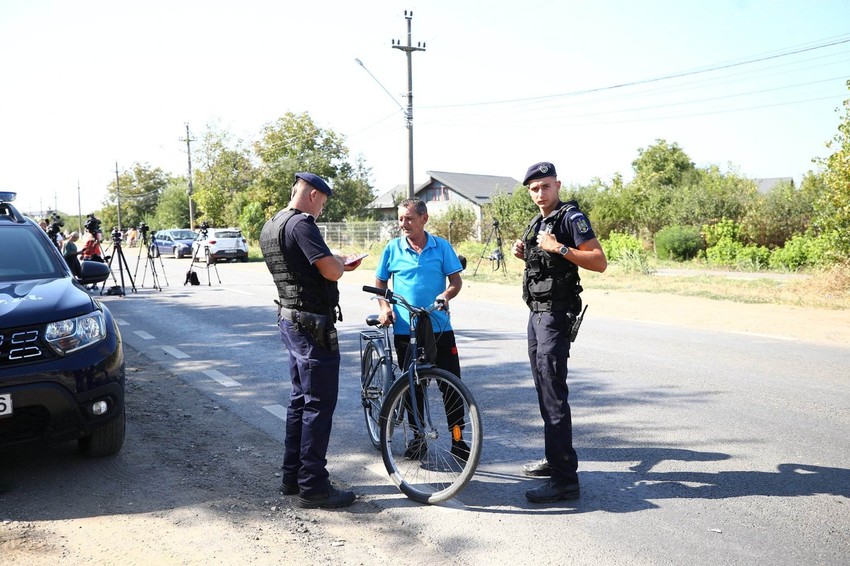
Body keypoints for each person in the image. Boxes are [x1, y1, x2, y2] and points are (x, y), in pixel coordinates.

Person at [259, 172, 364, 510]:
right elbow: (329, 271)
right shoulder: (302, 225)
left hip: (289, 319)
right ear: (314, 195)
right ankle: (314, 486)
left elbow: (304, 266)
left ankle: (293, 477)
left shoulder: (273, 223)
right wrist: (343, 264)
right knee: (319, 405)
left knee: (301, 402)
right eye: (323, 202)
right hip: (312, 325)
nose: (321, 210)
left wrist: (333, 261)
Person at [511, 161, 608, 503]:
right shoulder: (539, 221)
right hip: (537, 315)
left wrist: (561, 248)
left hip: (555, 315)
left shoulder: (570, 218)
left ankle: (565, 479)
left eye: (546, 186)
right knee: (543, 389)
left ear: (558, 185)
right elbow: (546, 265)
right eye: (534, 189)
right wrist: (527, 253)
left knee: (553, 393)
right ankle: (556, 460)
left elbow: (598, 260)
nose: (540, 193)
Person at [374, 198, 469, 461]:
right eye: (401, 218)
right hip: (406, 329)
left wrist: (445, 296)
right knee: (412, 387)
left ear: (424, 219)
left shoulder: (442, 247)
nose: (403, 224)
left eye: (409, 219)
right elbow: (380, 282)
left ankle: (459, 440)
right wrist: (384, 307)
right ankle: (418, 439)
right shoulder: (392, 248)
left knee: (451, 387)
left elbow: (456, 281)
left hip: (439, 328)